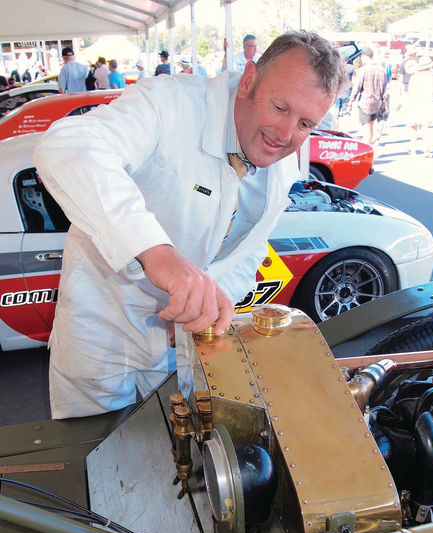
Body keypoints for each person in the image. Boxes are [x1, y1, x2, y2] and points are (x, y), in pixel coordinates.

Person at [33, 30, 345, 419]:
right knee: (90, 455)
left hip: (179, 344)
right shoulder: (169, 103)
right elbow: (67, 146)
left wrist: (205, 305)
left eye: (304, 123)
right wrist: (156, 252)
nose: (285, 136)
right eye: (280, 107)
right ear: (248, 79)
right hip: (101, 331)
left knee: (170, 454)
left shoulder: (285, 157)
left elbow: (248, 251)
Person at [349, 47, 388, 146]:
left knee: (367, 128)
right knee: (373, 125)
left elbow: (357, 87)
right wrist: (384, 102)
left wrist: (351, 100)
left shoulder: (363, 70)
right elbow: (385, 89)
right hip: (378, 102)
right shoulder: (382, 70)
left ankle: (367, 149)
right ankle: (373, 143)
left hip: (365, 103)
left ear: (365, 57)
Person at [404, 56, 433, 157]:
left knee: (414, 127)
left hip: (415, 103)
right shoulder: (431, 77)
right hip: (426, 103)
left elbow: (410, 92)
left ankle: (413, 149)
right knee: (425, 127)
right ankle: (426, 149)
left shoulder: (414, 77)